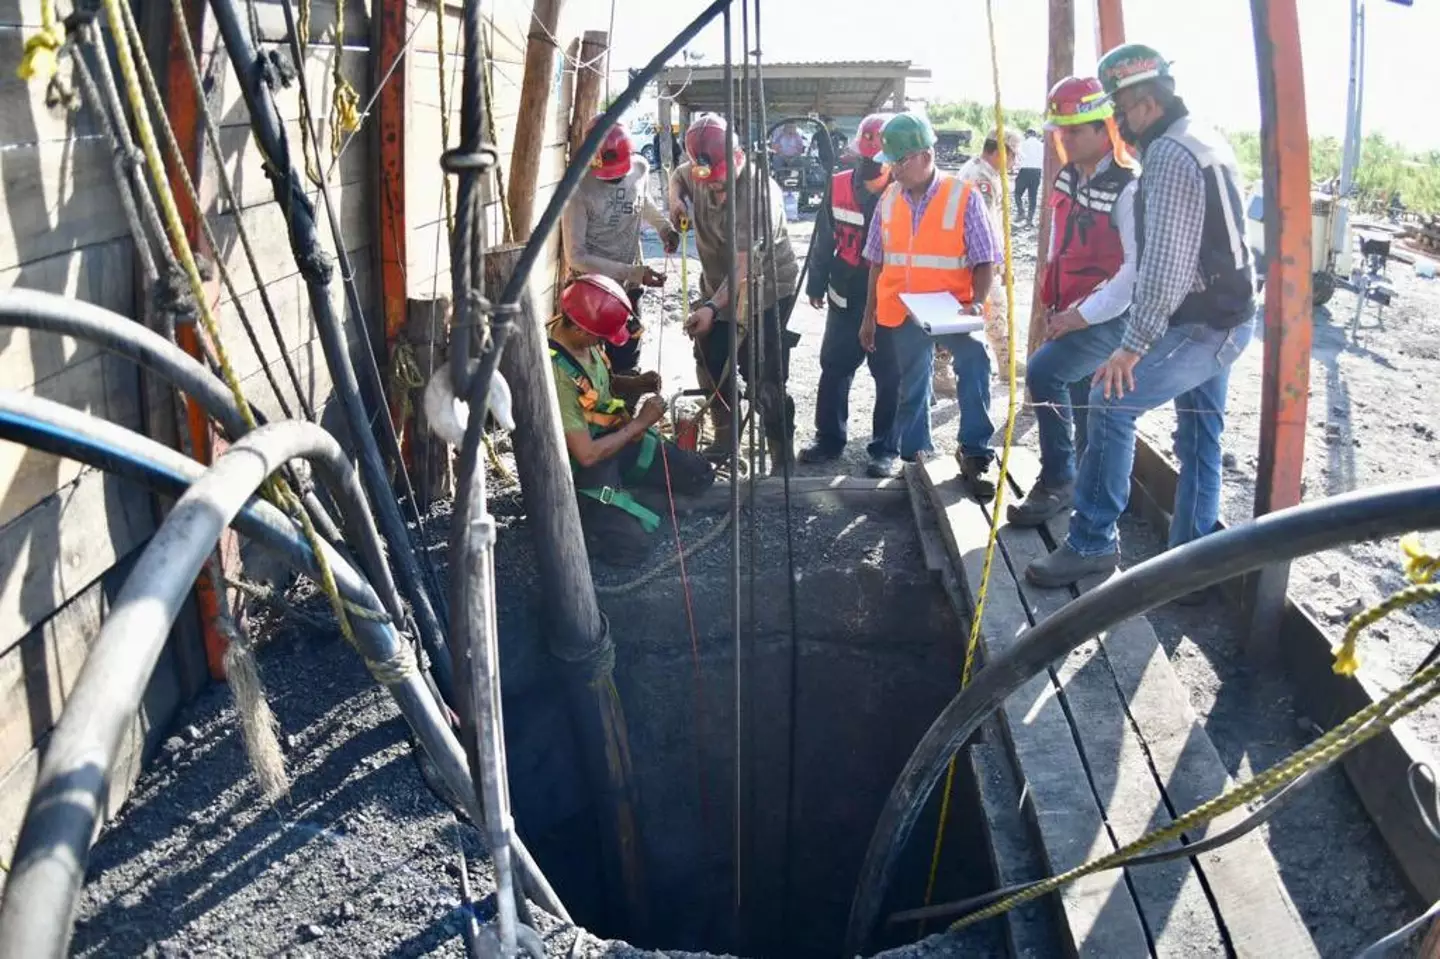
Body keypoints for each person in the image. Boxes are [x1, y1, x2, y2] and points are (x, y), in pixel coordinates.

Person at [1026, 44, 1257, 588]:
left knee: (1110, 401)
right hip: (1229, 312)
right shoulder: (1203, 136)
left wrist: (1132, 346)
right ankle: (1189, 571)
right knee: (1200, 436)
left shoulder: (1170, 155)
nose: (1120, 123)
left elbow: (1164, 265)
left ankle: (1092, 542)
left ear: (1147, 104)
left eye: (1122, 110)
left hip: (1204, 322)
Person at [1007, 76, 1140, 527]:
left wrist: (1081, 316)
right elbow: (1058, 242)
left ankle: (1059, 479)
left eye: (1074, 131)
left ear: (1105, 129)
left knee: (1044, 372)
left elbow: (1134, 273)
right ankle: (1086, 480)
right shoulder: (1066, 177)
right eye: (1060, 131)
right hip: (1069, 307)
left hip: (1110, 314)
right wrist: (1052, 299)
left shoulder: (1129, 187)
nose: (1063, 139)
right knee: (1082, 392)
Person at [860, 111, 1000, 499]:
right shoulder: (889, 198)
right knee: (912, 384)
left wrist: (976, 305)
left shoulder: (964, 196)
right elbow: (876, 261)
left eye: (899, 161)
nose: (893, 170)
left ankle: (975, 453)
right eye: (890, 162)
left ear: (925, 155)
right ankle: (916, 456)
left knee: (974, 363)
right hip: (904, 308)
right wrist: (868, 316)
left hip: (953, 308)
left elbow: (985, 260)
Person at [551, 275, 715, 567]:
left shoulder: (585, 339)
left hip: (615, 440)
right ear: (579, 328)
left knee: (700, 475)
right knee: (632, 548)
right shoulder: (557, 374)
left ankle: (629, 492)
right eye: (600, 337)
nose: (603, 342)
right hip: (585, 466)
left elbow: (596, 387)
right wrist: (640, 424)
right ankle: (590, 519)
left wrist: (635, 384)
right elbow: (586, 455)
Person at [669, 113, 801, 466]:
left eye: (721, 182)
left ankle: (781, 457)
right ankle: (726, 439)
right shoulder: (698, 171)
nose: (715, 188)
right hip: (717, 289)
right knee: (711, 361)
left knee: (764, 377)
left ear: (738, 158)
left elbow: (743, 269)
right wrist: (676, 201)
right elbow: (678, 176)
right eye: (710, 182)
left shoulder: (758, 196)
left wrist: (711, 308)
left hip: (765, 291)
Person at [798, 112, 901, 478]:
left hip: (888, 297)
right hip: (844, 292)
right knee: (835, 367)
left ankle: (885, 448)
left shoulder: (903, 191)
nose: (872, 166)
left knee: (890, 375)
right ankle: (829, 439)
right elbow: (823, 238)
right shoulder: (838, 184)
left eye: (879, 160)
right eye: (867, 158)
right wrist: (815, 283)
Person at [560, 118, 680, 375]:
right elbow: (575, 256)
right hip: (592, 293)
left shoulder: (640, 168)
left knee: (627, 357)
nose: (614, 179)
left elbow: (642, 201)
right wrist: (634, 272)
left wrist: (664, 227)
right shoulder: (577, 188)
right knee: (590, 365)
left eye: (619, 173)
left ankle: (627, 394)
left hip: (629, 287)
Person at [958, 128, 1025, 382]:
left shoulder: (985, 173)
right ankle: (1005, 363)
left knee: (992, 310)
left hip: (980, 258)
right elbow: (984, 227)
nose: (1015, 161)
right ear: (1000, 152)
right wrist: (997, 263)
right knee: (992, 309)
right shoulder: (980, 178)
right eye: (1013, 154)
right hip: (978, 260)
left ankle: (1006, 360)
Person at [1015, 127, 1045, 225]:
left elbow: (1018, 158)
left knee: (1017, 193)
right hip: (1037, 172)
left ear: (1027, 135)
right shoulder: (1042, 145)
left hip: (1024, 171)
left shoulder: (1022, 144)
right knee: (1033, 197)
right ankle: (1030, 219)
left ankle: (1021, 212)